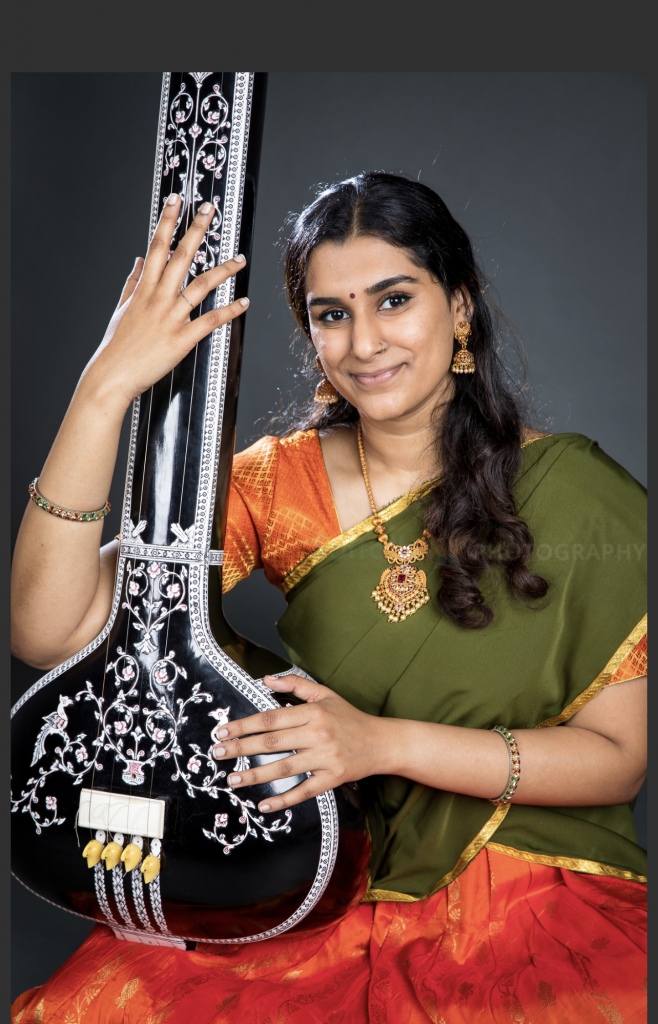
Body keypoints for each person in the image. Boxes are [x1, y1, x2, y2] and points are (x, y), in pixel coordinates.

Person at [11, 173, 646, 1023]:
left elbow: (617, 757)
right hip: (318, 876)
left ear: (459, 307)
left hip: (529, 889)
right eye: (331, 314)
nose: (365, 342)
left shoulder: (586, 499)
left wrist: (381, 744)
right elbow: (50, 631)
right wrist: (103, 391)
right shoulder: (279, 485)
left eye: (394, 300)